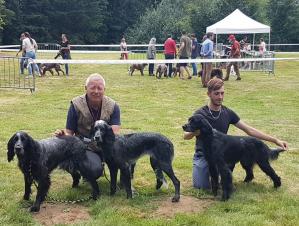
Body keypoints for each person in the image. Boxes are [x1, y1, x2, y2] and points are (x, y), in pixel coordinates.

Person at [183, 78, 288, 189]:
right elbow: (185, 136)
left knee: (225, 174)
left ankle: (229, 175)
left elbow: (249, 130)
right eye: (216, 94)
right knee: (201, 185)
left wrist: (276, 140)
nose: (220, 97)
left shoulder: (227, 113)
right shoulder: (200, 114)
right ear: (208, 94)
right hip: (203, 154)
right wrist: (197, 132)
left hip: (223, 153)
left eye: (222, 93)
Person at [55, 73, 121, 140]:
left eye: (99, 88)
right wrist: (63, 135)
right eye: (92, 88)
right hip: (81, 145)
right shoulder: (75, 105)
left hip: (105, 145)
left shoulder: (113, 106)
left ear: (104, 89)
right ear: (86, 88)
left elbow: (114, 134)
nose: (96, 91)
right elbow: (69, 133)